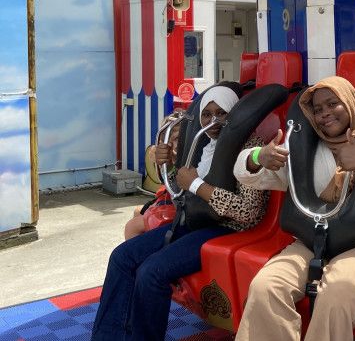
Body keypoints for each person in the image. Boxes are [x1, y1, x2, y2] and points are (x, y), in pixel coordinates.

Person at [233, 76, 355, 341]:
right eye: (317, 109)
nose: (325, 114)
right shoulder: (303, 151)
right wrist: (259, 157)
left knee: (336, 296)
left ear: (350, 104)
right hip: (310, 240)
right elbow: (245, 173)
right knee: (265, 287)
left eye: (332, 104)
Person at [91, 86, 268, 341]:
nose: (213, 120)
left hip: (226, 229)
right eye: (207, 115)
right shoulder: (204, 144)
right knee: (121, 257)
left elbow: (249, 212)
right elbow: (180, 192)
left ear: (235, 114)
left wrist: (197, 185)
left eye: (221, 113)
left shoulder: (251, 148)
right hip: (195, 221)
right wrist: (171, 164)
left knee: (151, 273)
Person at [124, 110, 183, 240]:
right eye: (178, 138)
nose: (183, 142)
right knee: (137, 211)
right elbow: (154, 154)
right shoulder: (167, 159)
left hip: (179, 205)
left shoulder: (187, 159)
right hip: (167, 199)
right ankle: (143, 244)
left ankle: (139, 251)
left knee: (132, 226)